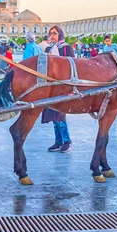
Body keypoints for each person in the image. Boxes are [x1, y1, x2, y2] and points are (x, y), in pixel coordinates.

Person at [42, 25, 73, 153]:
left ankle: (67, 141)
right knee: (53, 113)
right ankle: (58, 141)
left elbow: (74, 66)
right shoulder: (49, 48)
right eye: (50, 34)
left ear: (60, 34)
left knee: (60, 114)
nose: (52, 36)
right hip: (51, 86)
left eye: (54, 33)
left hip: (63, 85)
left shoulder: (66, 48)